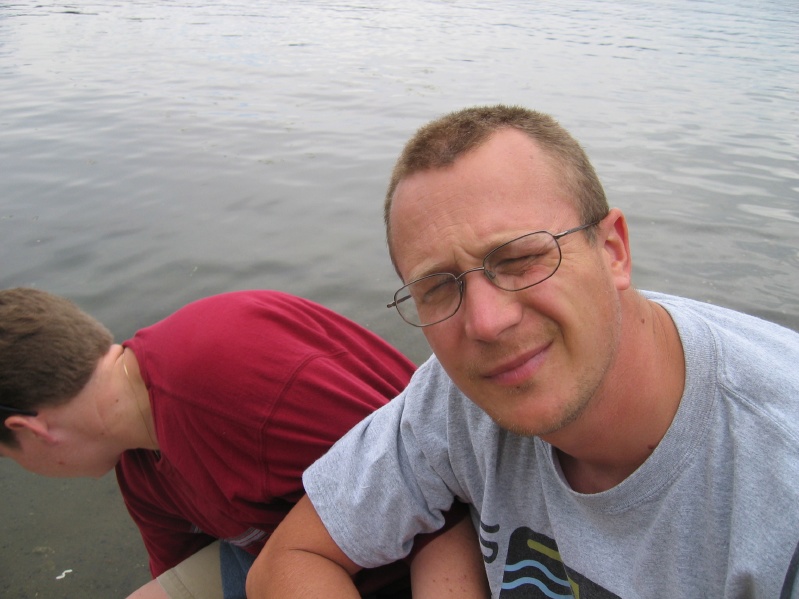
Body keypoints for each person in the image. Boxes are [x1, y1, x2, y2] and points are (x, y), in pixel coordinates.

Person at [246, 105, 799, 598]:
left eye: (520, 259)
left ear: (613, 251)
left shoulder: (775, 478)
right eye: (439, 286)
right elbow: (291, 559)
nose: (486, 323)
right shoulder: (452, 396)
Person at [0, 288, 489, 599]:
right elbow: (178, 564)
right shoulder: (139, 462)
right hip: (284, 562)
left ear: (30, 431)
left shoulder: (232, 380)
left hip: (429, 548)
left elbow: (436, 494)